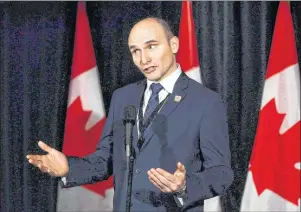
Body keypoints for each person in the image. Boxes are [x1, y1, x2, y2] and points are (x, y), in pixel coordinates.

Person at [27, 17, 234, 212]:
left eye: (151, 46)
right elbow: (106, 159)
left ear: (174, 45)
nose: (143, 59)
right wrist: (69, 168)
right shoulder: (123, 97)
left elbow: (221, 174)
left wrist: (184, 186)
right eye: (135, 51)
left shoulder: (206, 102)